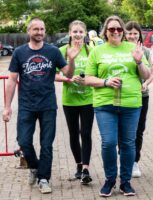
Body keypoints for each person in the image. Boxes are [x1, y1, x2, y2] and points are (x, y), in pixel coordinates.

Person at [2, 17, 80, 194]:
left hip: (47, 105)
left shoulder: (52, 52)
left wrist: (71, 59)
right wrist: (7, 107)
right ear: (29, 31)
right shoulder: (19, 53)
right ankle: (35, 167)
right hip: (26, 106)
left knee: (46, 144)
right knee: (23, 142)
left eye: (42, 29)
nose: (39, 32)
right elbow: (12, 80)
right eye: (35, 29)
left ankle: (44, 178)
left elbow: (68, 73)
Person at [84, 15, 150, 197]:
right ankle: (110, 179)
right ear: (105, 32)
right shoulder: (97, 51)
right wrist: (105, 81)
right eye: (111, 29)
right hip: (105, 104)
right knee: (109, 142)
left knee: (129, 143)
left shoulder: (133, 48)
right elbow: (88, 78)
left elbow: (145, 75)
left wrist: (138, 61)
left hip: (131, 103)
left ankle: (126, 182)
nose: (115, 32)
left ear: (123, 31)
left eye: (119, 29)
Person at [55, 20, 94, 185]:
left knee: (86, 133)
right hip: (69, 100)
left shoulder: (92, 51)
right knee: (73, 134)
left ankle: (85, 168)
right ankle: (78, 164)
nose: (78, 35)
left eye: (80, 32)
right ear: (69, 33)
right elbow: (53, 75)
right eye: (75, 31)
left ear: (85, 34)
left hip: (88, 99)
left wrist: (89, 80)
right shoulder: (62, 51)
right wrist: (68, 79)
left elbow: (97, 73)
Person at [125, 21, 153, 178]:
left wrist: (146, 84)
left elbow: (151, 75)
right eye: (129, 33)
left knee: (138, 130)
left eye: (135, 33)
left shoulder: (146, 51)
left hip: (142, 96)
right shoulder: (121, 50)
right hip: (125, 96)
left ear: (139, 35)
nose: (132, 36)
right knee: (124, 130)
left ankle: (134, 161)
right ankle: (124, 157)